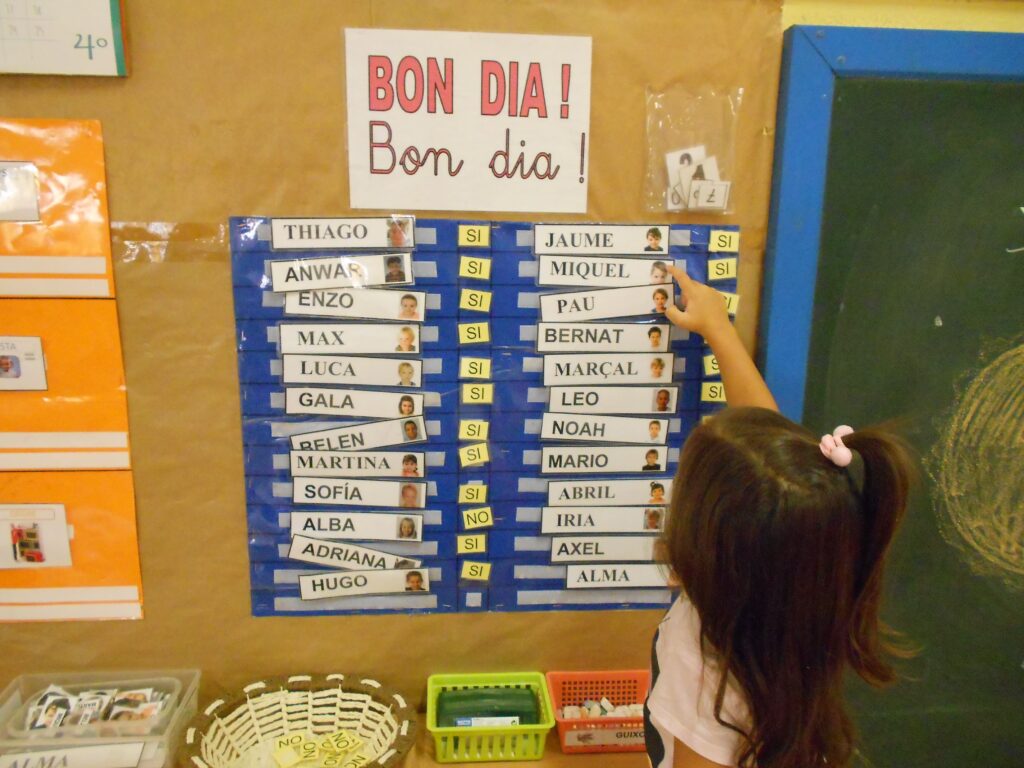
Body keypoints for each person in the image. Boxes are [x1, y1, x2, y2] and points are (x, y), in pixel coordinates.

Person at [644, 264, 914, 768]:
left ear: (711, 550)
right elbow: (763, 445)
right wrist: (718, 328)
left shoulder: (701, 669)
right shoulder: (787, 610)